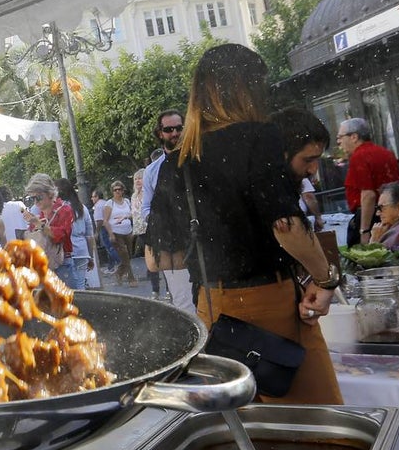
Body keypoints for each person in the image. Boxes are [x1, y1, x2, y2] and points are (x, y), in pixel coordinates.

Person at [174, 44, 342, 405]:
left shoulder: (183, 156)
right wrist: (325, 278)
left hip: (211, 304)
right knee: (317, 418)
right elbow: (287, 227)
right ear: (247, 87)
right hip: (266, 301)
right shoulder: (258, 136)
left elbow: (164, 255)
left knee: (247, 425)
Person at [141, 109, 194, 308]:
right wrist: (163, 221)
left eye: (179, 128)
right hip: (174, 245)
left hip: (204, 242)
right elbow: (146, 208)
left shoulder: (198, 159)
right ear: (160, 133)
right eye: (169, 129)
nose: (174, 133)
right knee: (184, 301)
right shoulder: (152, 171)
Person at [336, 117, 399, 246]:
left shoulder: (359, 156)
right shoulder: (386, 153)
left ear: (354, 137)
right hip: (393, 213)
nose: (339, 142)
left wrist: (364, 231)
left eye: (340, 137)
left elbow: (368, 195)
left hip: (372, 218)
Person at [23, 173, 76, 286]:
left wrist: (39, 224)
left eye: (39, 197)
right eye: (32, 198)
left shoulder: (64, 210)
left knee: (69, 301)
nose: (36, 202)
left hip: (61, 265)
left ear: (50, 193)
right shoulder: (40, 214)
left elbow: (61, 235)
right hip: (43, 267)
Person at [131, 167, 163, 298]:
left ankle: (162, 290)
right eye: (136, 179)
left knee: (158, 259)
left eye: (140, 178)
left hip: (152, 230)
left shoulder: (148, 193)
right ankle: (155, 290)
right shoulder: (133, 196)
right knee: (150, 260)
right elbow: (135, 213)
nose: (138, 180)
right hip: (140, 232)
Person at [56, 177, 93, 289]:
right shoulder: (82, 208)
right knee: (80, 285)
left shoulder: (57, 210)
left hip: (65, 252)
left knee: (66, 288)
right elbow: (89, 236)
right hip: (82, 251)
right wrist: (90, 256)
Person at [103, 179, 137, 286]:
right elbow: (105, 221)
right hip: (116, 232)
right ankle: (131, 278)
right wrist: (111, 234)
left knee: (129, 255)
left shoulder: (127, 201)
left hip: (128, 231)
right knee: (124, 254)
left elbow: (133, 213)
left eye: (119, 189)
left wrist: (126, 217)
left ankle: (119, 272)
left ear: (123, 190)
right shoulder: (110, 203)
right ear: (112, 191)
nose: (117, 191)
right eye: (115, 190)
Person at [91, 188, 120, 273]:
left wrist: (96, 232)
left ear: (97, 197)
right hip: (111, 226)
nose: (92, 199)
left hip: (104, 228)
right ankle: (111, 267)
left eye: (93, 197)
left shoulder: (98, 205)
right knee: (112, 246)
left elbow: (99, 220)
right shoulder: (106, 203)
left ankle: (121, 263)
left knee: (109, 247)